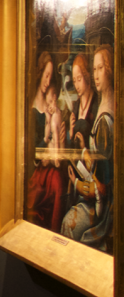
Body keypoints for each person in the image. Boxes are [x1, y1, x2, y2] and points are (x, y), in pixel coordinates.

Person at [62, 46, 114, 252]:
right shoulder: (101, 106)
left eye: (101, 68)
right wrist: (82, 149)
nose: (97, 75)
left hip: (103, 206)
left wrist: (76, 183)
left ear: (110, 70)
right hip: (92, 185)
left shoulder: (102, 115)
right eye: (94, 69)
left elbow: (101, 186)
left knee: (68, 224)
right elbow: (97, 163)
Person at [26, 51, 66, 231]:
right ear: (39, 73)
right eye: (46, 75)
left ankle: (56, 233)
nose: (48, 81)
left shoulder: (51, 103)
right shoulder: (31, 107)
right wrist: (45, 140)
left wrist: (63, 137)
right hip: (37, 171)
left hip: (51, 166)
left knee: (59, 182)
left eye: (50, 76)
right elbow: (31, 149)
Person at [68, 53, 98, 147]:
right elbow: (72, 145)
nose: (76, 85)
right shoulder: (76, 105)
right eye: (74, 81)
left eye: (79, 79)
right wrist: (71, 133)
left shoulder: (95, 103)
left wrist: (84, 147)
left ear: (86, 76)